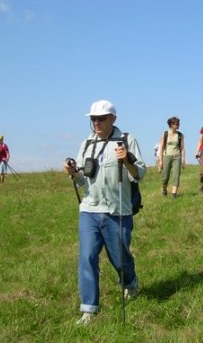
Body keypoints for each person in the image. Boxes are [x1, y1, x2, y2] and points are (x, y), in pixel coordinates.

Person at [63, 100, 147, 326]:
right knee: (87, 257)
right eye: (93, 119)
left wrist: (127, 160)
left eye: (101, 118)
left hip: (118, 211)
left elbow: (139, 174)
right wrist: (73, 173)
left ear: (113, 119)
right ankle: (89, 310)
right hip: (90, 209)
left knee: (120, 257)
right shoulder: (86, 144)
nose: (96, 123)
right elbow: (82, 180)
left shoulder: (126, 140)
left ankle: (130, 282)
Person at [157, 117, 186, 198]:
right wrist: (160, 161)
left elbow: (182, 148)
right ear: (171, 125)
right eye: (176, 124)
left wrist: (183, 160)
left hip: (177, 156)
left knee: (176, 175)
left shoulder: (180, 135)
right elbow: (161, 148)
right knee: (165, 177)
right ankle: (164, 189)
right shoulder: (165, 134)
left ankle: (174, 194)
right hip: (166, 156)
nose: (178, 125)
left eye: (178, 124)